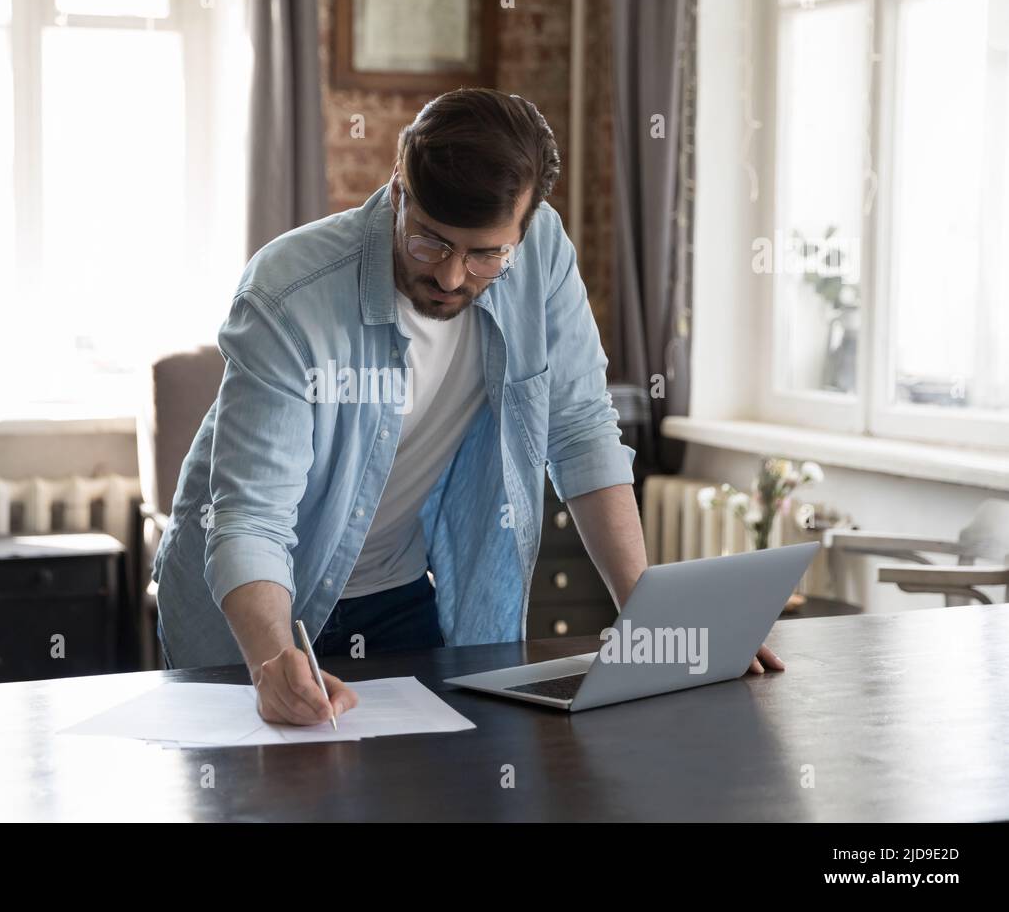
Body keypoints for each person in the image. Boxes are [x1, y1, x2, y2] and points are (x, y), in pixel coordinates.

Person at [153, 88, 782, 725]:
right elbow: (250, 518)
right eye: (430, 242)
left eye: (485, 255)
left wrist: (658, 629)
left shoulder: (542, 256)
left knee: (442, 784)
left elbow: (581, 429)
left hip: (393, 590)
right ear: (398, 191)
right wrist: (271, 660)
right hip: (251, 608)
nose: (452, 277)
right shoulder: (289, 292)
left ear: (526, 224)